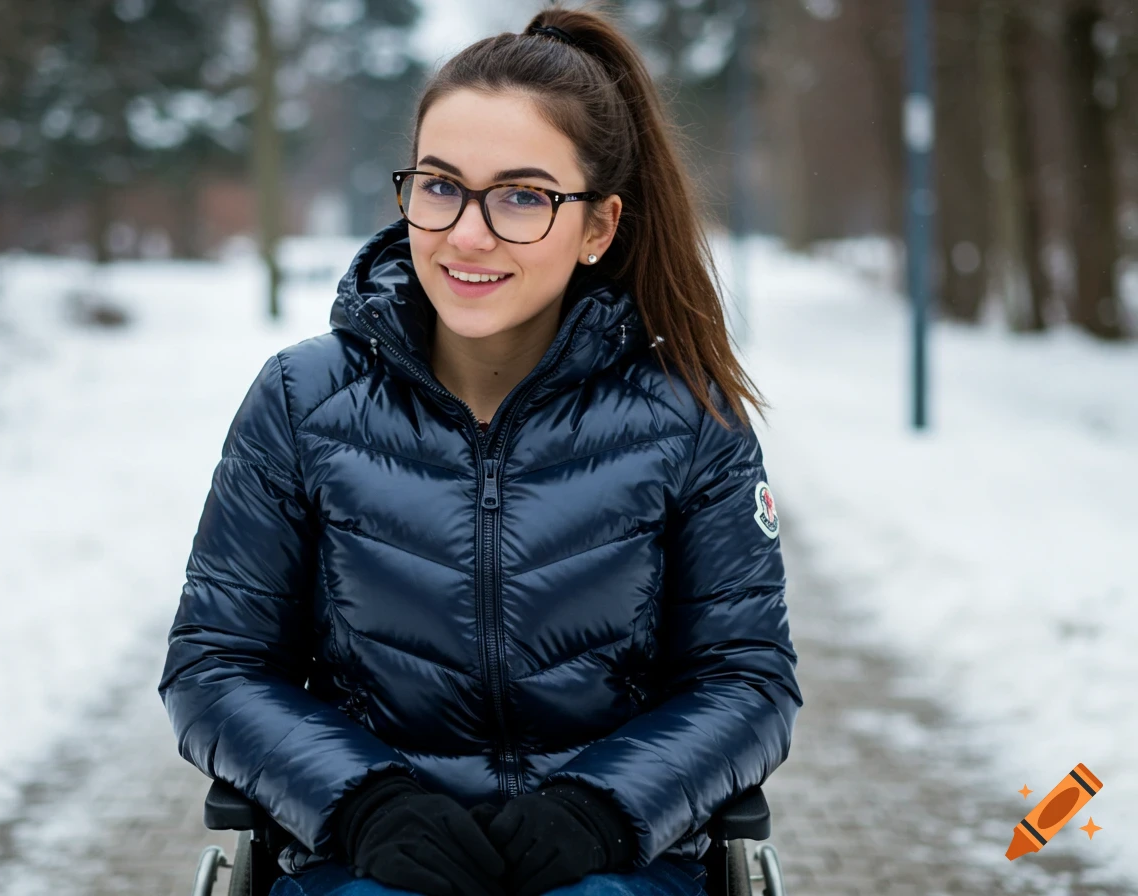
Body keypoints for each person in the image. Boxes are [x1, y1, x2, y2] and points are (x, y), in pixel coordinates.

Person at [159, 4, 802, 895]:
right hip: (367, 866)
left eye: (523, 197)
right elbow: (215, 665)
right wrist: (362, 802)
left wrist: (603, 808)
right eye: (439, 185)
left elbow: (747, 680)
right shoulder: (301, 402)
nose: (466, 233)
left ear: (598, 228)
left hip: (613, 869)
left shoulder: (691, 419)